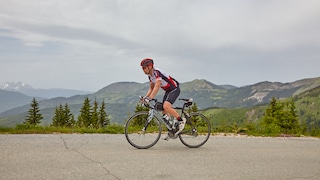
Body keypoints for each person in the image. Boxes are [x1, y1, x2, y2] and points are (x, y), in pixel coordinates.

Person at [140, 58, 186, 136]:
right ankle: (172, 130)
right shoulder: (150, 76)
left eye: (144, 67)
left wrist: (149, 98)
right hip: (168, 91)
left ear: (150, 67)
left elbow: (157, 86)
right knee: (164, 111)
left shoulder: (157, 73)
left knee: (166, 106)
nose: (143, 70)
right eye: (142, 68)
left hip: (174, 89)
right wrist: (145, 97)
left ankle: (181, 121)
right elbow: (151, 88)